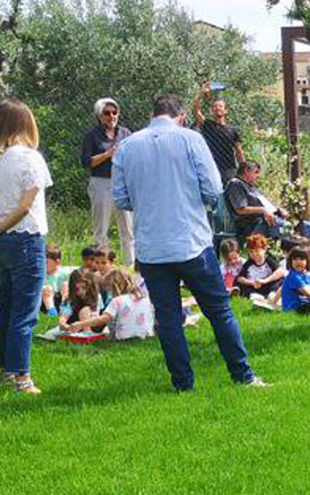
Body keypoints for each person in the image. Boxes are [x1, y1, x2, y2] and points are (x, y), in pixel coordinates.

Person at [111, 94, 263, 390]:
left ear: (153, 114)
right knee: (219, 311)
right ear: (181, 116)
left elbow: (121, 198)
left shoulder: (128, 146)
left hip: (152, 247)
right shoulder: (190, 140)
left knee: (168, 319)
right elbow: (213, 188)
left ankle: (182, 383)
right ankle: (242, 375)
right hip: (191, 241)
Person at [0, 99, 54, 394]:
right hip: (25, 238)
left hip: (2, 243)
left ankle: (3, 368)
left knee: (6, 305)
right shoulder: (30, 158)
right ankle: (21, 376)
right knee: (25, 311)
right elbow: (25, 207)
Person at [80, 97, 135, 266]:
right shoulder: (92, 136)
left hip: (122, 183)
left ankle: (130, 267)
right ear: (100, 115)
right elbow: (86, 162)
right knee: (101, 229)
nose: (111, 116)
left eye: (114, 112)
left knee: (128, 229)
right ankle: (101, 267)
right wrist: (108, 154)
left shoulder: (125, 133)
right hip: (101, 183)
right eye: (107, 113)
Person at [62, 269, 155, 340]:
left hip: (123, 337)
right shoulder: (145, 299)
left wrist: (81, 324)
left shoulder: (117, 301)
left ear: (115, 287)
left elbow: (103, 319)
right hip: (146, 335)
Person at [192, 82, 245, 185]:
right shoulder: (208, 125)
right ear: (212, 110)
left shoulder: (233, 130)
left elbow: (238, 151)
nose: (217, 108)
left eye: (220, 106)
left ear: (225, 111)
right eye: (215, 106)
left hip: (229, 170)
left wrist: (243, 170)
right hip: (211, 168)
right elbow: (195, 110)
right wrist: (201, 94)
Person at [225, 161, 288, 242]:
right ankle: (295, 250)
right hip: (251, 223)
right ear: (246, 171)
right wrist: (263, 210)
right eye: (256, 172)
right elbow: (240, 209)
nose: (258, 176)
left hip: (269, 219)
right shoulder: (236, 184)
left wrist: (278, 209)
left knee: (305, 226)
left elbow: (264, 203)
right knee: (287, 229)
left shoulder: (251, 187)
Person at [235, 233, 284, 298]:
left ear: (264, 249)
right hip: (254, 287)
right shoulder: (249, 263)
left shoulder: (269, 261)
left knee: (279, 280)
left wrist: (265, 280)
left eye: (257, 251)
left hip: (268, 285)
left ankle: (272, 295)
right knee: (244, 287)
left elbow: (281, 271)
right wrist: (252, 282)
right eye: (251, 252)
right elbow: (240, 278)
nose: (254, 254)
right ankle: (256, 297)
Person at [42, 245, 73, 317]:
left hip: (61, 297)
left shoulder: (64, 273)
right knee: (47, 289)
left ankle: (64, 308)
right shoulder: (41, 275)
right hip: (47, 300)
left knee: (66, 285)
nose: (43, 265)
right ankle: (52, 312)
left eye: (46, 262)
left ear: (57, 262)